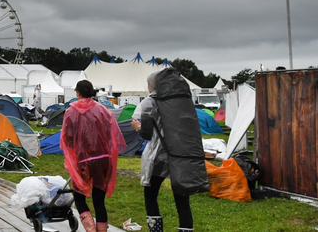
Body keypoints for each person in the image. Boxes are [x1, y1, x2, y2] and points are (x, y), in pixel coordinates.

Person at [131, 69, 209, 232]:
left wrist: (138, 127)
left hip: (158, 157)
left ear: (151, 85)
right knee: (182, 200)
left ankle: (156, 231)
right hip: (181, 155)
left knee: (151, 195)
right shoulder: (182, 101)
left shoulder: (149, 102)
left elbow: (146, 133)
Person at [60, 80, 125, 232]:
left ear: (78, 93)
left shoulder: (71, 112)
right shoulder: (103, 110)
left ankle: (91, 230)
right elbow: (111, 134)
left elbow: (67, 137)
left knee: (79, 196)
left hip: (83, 160)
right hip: (103, 159)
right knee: (99, 201)